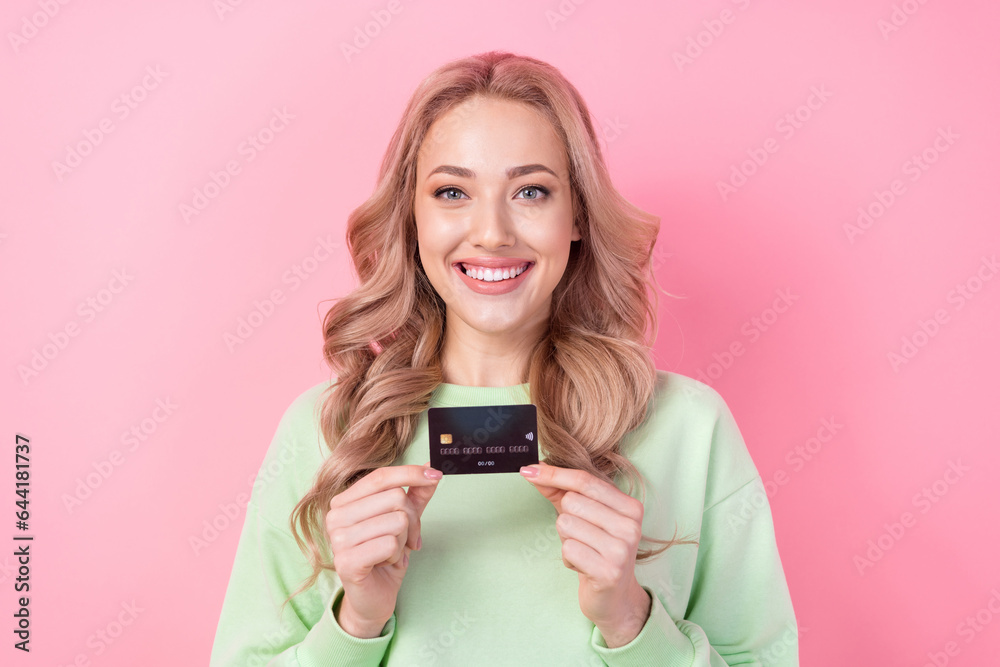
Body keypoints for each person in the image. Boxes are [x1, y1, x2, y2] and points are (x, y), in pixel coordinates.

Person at [210, 50, 799, 666]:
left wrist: (631, 620)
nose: (491, 232)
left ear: (577, 216)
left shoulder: (689, 427)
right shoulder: (325, 431)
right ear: (413, 219)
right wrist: (356, 623)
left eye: (531, 191)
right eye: (452, 191)